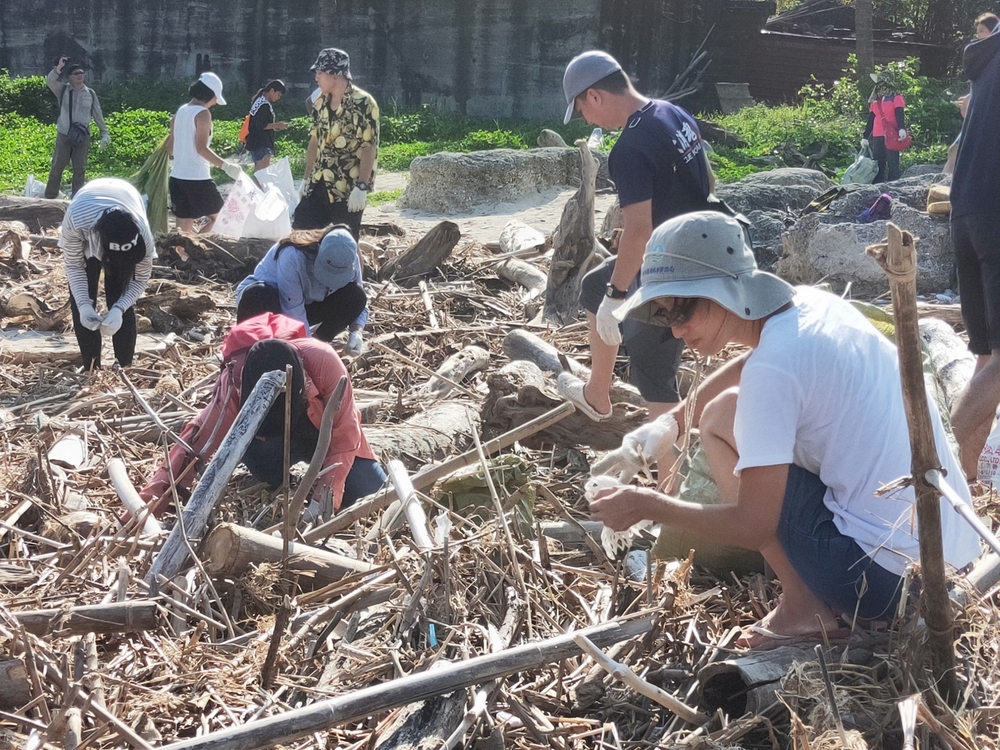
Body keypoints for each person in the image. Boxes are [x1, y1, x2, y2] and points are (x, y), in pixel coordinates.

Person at [588, 211, 980, 649]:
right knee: (719, 413)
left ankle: (803, 608)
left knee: (720, 426)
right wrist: (671, 423)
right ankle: (810, 598)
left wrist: (651, 505)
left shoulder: (773, 371)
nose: (677, 331)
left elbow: (753, 526)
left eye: (683, 310)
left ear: (721, 293)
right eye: (664, 317)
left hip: (893, 588)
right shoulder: (810, 305)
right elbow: (749, 363)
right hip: (956, 560)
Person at [555, 50, 715, 423]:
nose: (586, 118)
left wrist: (618, 294)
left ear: (594, 95)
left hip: (674, 267)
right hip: (701, 242)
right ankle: (597, 393)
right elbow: (707, 181)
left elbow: (639, 230)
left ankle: (668, 479)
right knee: (593, 286)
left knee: (654, 375)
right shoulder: (672, 113)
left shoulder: (628, 148)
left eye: (581, 110)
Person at [137, 313, 386, 518]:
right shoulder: (234, 383)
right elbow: (193, 446)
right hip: (269, 448)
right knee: (265, 464)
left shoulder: (324, 362)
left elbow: (346, 433)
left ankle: (317, 478)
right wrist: (147, 509)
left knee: (376, 494)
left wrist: (322, 503)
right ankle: (276, 477)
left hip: (320, 435)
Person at [949, 17, 1000, 479]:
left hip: (964, 210)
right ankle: (931, 457)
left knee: (986, 353)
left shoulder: (988, 59)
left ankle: (962, 479)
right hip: (997, 213)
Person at [60, 177, 156, 371]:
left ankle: (124, 369)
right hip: (88, 220)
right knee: (82, 303)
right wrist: (84, 304)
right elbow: (74, 266)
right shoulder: (77, 221)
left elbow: (140, 278)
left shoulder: (143, 235)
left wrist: (120, 308)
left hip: (127, 196)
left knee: (119, 295)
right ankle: (91, 369)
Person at [235, 225, 369, 352]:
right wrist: (306, 349)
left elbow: (360, 302)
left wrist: (357, 332)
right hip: (269, 304)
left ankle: (318, 343)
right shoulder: (293, 256)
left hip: (306, 303)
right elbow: (293, 312)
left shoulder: (349, 259)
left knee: (356, 296)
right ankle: (249, 353)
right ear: (318, 250)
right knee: (260, 294)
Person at [295, 48, 379, 238]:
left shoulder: (364, 103)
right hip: (318, 183)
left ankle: (360, 269)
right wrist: (306, 179)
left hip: (347, 188)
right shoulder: (320, 102)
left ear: (335, 75)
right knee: (301, 234)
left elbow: (369, 147)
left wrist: (362, 187)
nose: (316, 78)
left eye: (320, 73)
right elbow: (314, 142)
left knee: (347, 242)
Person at [166, 72, 243, 234]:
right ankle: (194, 247)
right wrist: (226, 166)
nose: (215, 102)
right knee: (223, 218)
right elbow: (201, 148)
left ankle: (182, 254)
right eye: (215, 98)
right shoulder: (202, 113)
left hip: (177, 178)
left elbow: (170, 149)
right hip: (197, 179)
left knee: (183, 228)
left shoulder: (179, 112)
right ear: (209, 94)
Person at [44, 58, 110, 199]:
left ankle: (77, 200)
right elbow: (50, 81)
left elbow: (98, 114)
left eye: (81, 73)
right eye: (76, 73)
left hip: (82, 137)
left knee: (80, 169)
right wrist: (58, 68)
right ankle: (49, 198)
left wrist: (104, 133)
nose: (80, 75)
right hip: (64, 134)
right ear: (70, 77)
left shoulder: (90, 93)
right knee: (57, 167)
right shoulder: (63, 90)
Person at [944, 13, 998, 175]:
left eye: (982, 31)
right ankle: (942, 189)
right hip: (979, 119)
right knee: (954, 150)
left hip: (988, 124)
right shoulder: (983, 57)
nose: (979, 36)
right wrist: (970, 99)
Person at [861, 70, 907, 183]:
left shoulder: (896, 97)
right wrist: (865, 136)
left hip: (892, 134)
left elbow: (899, 114)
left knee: (893, 163)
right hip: (877, 135)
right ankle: (878, 186)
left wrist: (902, 128)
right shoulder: (875, 100)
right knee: (878, 162)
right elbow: (871, 118)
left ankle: (895, 186)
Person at [245, 80, 289, 172]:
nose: (279, 98)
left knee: (261, 175)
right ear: (272, 91)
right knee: (261, 176)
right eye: (278, 94)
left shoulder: (259, 101)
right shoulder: (263, 104)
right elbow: (259, 125)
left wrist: (276, 126)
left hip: (257, 143)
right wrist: (277, 124)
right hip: (261, 144)